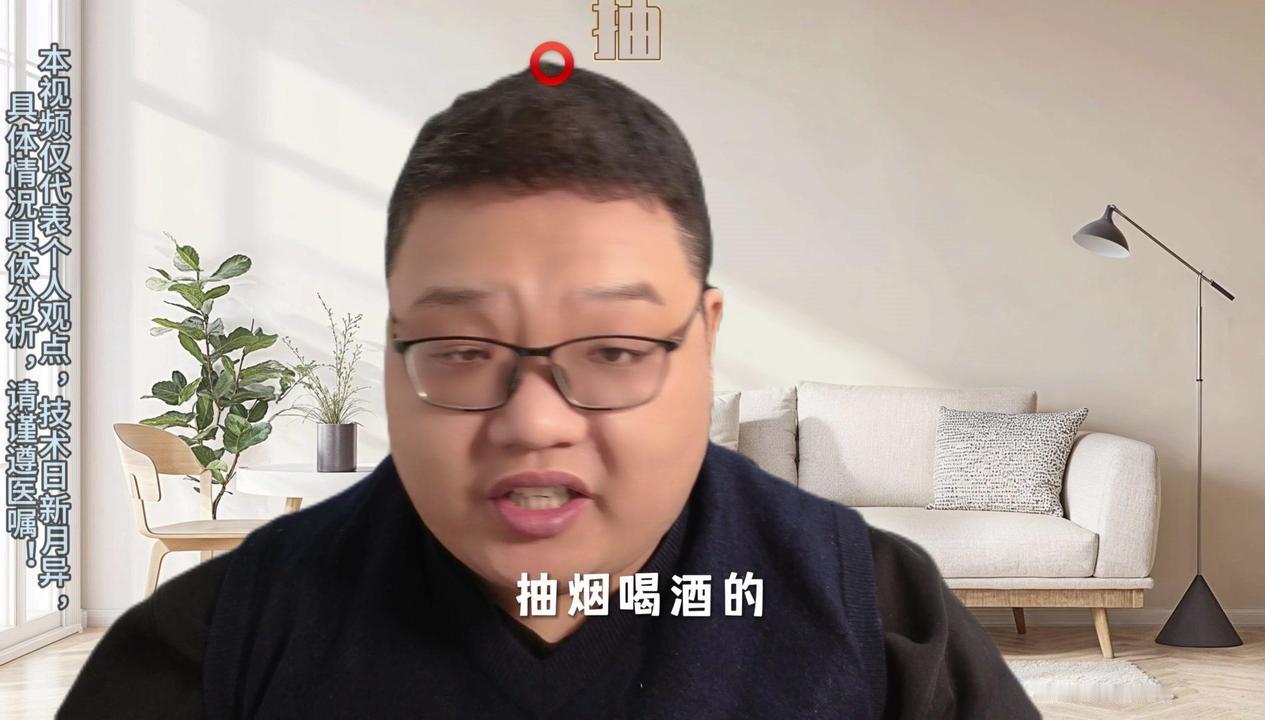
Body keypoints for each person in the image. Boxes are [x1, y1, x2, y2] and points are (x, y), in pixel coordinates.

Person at [60, 66, 1040, 719]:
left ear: (705, 341)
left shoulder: (878, 619)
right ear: (394, 347)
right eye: (459, 349)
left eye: (612, 350)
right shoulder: (218, 645)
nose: (533, 423)